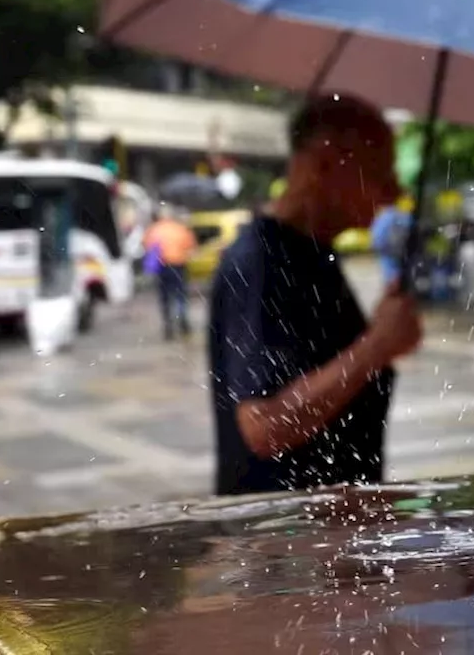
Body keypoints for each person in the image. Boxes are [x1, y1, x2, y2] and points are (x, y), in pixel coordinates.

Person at [207, 93, 422, 496]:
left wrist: (378, 335)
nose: (393, 193)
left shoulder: (314, 253)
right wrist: (376, 346)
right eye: (379, 172)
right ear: (326, 162)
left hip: (326, 542)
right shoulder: (260, 261)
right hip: (284, 549)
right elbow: (264, 427)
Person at [143, 206, 197, 340]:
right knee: (180, 295)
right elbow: (191, 248)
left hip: (162, 267)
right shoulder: (180, 229)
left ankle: (168, 325)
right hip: (178, 265)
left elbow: (146, 246)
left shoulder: (153, 230)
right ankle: (182, 321)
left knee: (165, 297)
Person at [370, 200, 412, 286]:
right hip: (401, 249)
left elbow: (377, 237)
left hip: (387, 249)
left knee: (390, 271)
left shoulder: (385, 217)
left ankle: (393, 286)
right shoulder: (404, 216)